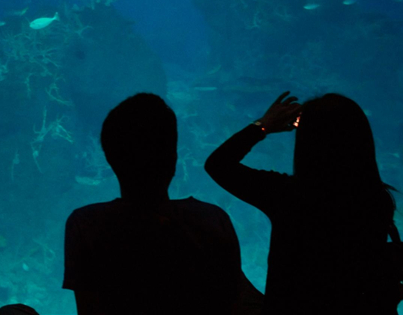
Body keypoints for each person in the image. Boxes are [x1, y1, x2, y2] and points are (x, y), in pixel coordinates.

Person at [63, 92, 262, 315]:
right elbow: (232, 302)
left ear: (110, 159)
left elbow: (89, 308)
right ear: (174, 159)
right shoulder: (213, 220)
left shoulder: (85, 225)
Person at [205, 92, 400, 315]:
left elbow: (218, 164)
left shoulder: (288, 195)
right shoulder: (378, 200)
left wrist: (263, 126)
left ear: (308, 141)